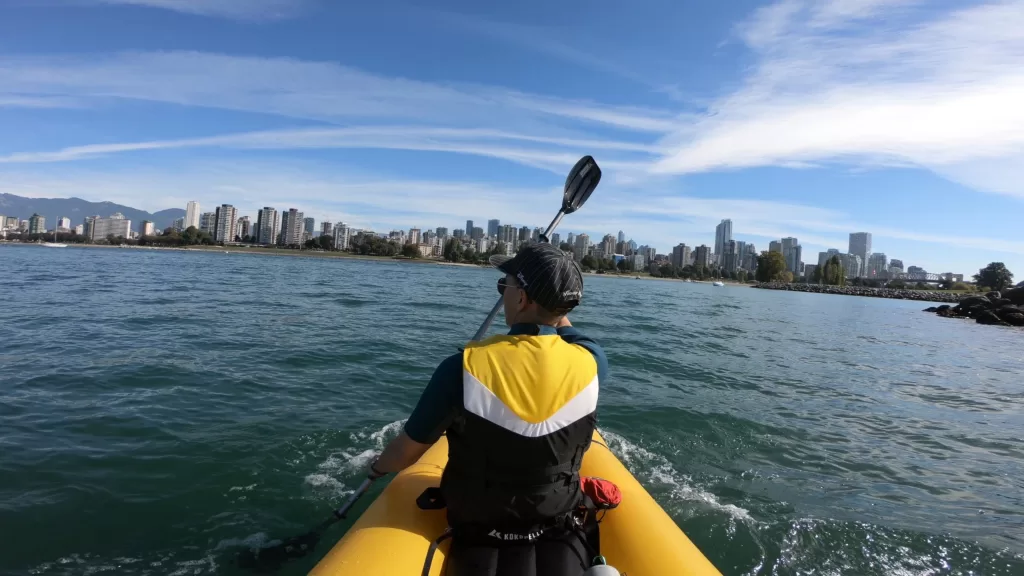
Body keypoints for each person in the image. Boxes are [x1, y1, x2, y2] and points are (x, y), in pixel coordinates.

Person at [368, 241, 609, 576]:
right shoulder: (593, 365)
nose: (502, 293)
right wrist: (552, 308)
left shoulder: (461, 368)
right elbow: (582, 341)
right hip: (557, 520)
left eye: (504, 285)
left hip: (477, 524)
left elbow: (406, 453)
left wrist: (376, 468)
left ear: (521, 298)